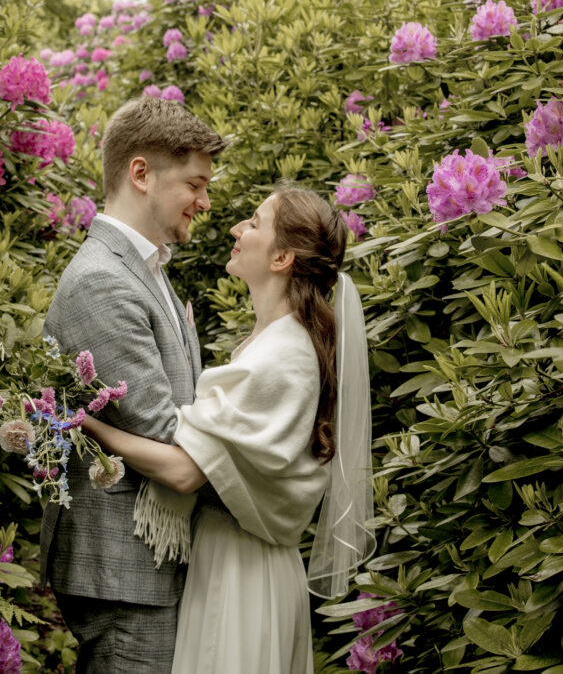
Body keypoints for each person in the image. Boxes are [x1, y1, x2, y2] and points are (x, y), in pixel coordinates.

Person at [81, 186, 377, 673]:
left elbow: (182, 473)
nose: (237, 229)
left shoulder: (284, 356)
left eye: (255, 223)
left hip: (244, 575)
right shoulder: (271, 342)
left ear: (282, 256)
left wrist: (90, 424)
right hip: (232, 560)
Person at [39, 97, 227, 673]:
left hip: (146, 564)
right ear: (141, 173)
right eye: (195, 183)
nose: (205, 201)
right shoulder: (102, 281)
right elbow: (166, 433)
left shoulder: (144, 270)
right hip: (124, 571)